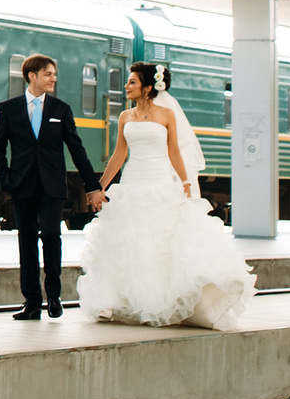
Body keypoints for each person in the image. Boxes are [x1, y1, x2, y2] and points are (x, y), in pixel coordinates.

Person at [78, 61, 256, 330]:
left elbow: (174, 151)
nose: (126, 86)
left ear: (148, 88)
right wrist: (99, 187)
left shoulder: (166, 115)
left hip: (159, 181)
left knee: (156, 242)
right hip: (132, 180)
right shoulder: (125, 117)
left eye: (132, 82)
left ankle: (155, 303)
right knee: (127, 240)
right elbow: (119, 155)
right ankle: (114, 300)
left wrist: (185, 181)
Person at [0, 53, 102, 321]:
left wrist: (92, 186)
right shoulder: (8, 108)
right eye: (48, 74)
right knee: (26, 242)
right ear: (32, 76)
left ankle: (54, 297)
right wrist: (6, 180)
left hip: (52, 185)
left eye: (54, 74)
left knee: (51, 236)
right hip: (22, 185)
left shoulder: (60, 109)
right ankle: (31, 302)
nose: (54, 78)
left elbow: (77, 150)